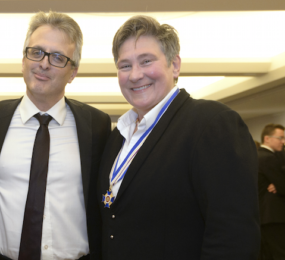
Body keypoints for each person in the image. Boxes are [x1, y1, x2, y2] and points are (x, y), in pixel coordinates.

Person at [98, 15, 259, 260]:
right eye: (125, 65)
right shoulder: (118, 136)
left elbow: (233, 236)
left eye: (146, 61)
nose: (135, 75)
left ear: (174, 65)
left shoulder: (212, 124)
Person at [0, 11, 111, 260]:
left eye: (57, 57)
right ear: (24, 60)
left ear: (73, 71)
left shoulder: (96, 126)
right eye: (36, 52)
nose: (43, 63)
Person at [258, 124, 285, 260]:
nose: (283, 141)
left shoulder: (257, 155)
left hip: (265, 216)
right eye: (280, 137)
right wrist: (279, 184)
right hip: (274, 215)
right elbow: (282, 186)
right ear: (267, 138)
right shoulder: (268, 158)